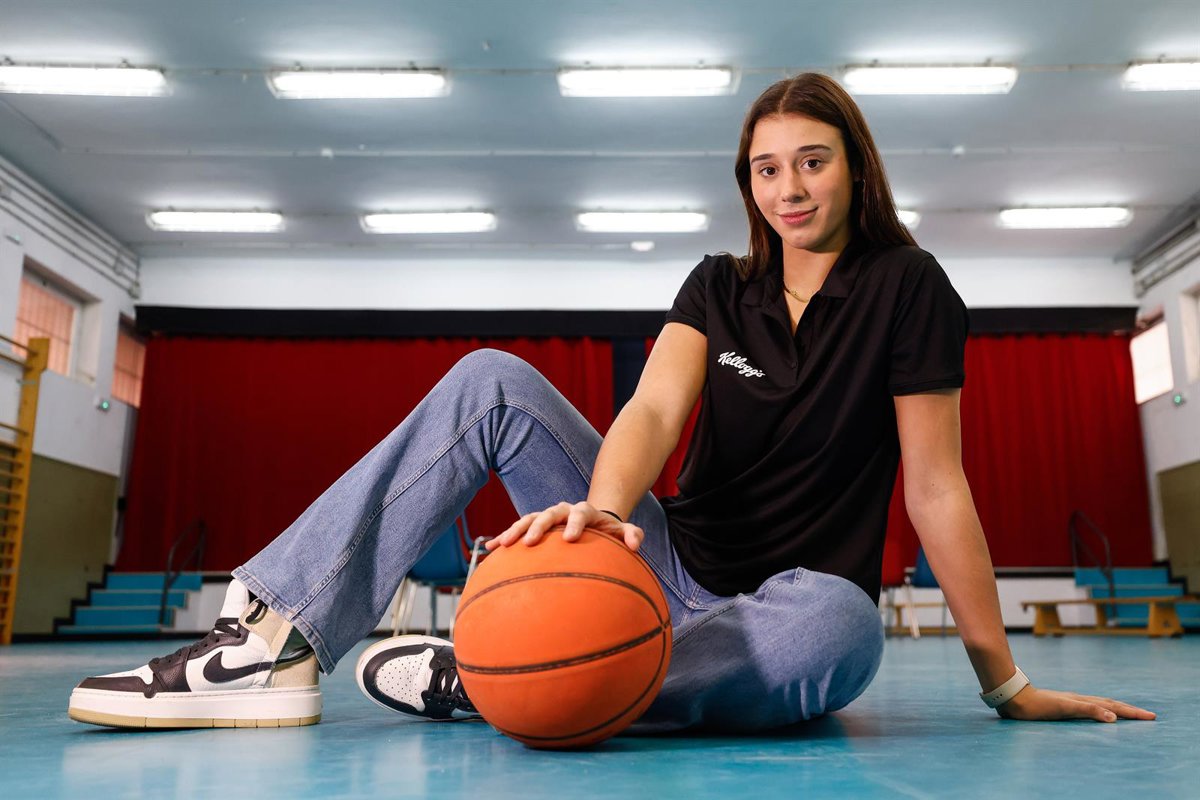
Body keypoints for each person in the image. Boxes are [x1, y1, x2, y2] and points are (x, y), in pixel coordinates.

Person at [67, 73, 1154, 732]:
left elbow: (936, 485)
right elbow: (652, 412)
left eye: (812, 162)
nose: (789, 188)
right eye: (766, 169)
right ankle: (272, 642)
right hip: (658, 554)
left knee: (845, 633)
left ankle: (505, 680)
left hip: (784, 603)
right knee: (491, 376)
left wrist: (1003, 682)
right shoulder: (719, 286)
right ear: (747, 183)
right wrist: (601, 512)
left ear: (855, 168)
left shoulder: (910, 288)